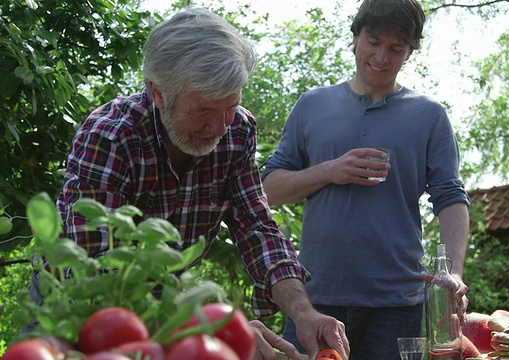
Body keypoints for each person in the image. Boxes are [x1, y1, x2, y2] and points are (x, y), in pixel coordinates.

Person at [25, 7, 348, 360]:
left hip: (165, 305)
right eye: (204, 110)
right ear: (158, 93)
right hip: (73, 304)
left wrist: (303, 312)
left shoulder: (238, 131)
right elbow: (95, 271)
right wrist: (215, 326)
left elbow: (257, 228)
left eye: (231, 106)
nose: (220, 126)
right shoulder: (111, 137)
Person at [261, 0, 470, 358]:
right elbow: (268, 189)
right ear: (355, 35)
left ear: (410, 52)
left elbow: (450, 198)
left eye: (396, 49)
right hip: (314, 300)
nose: (382, 57)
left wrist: (453, 275)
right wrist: (330, 170)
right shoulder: (312, 105)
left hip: (397, 304)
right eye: (373, 41)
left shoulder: (430, 116)